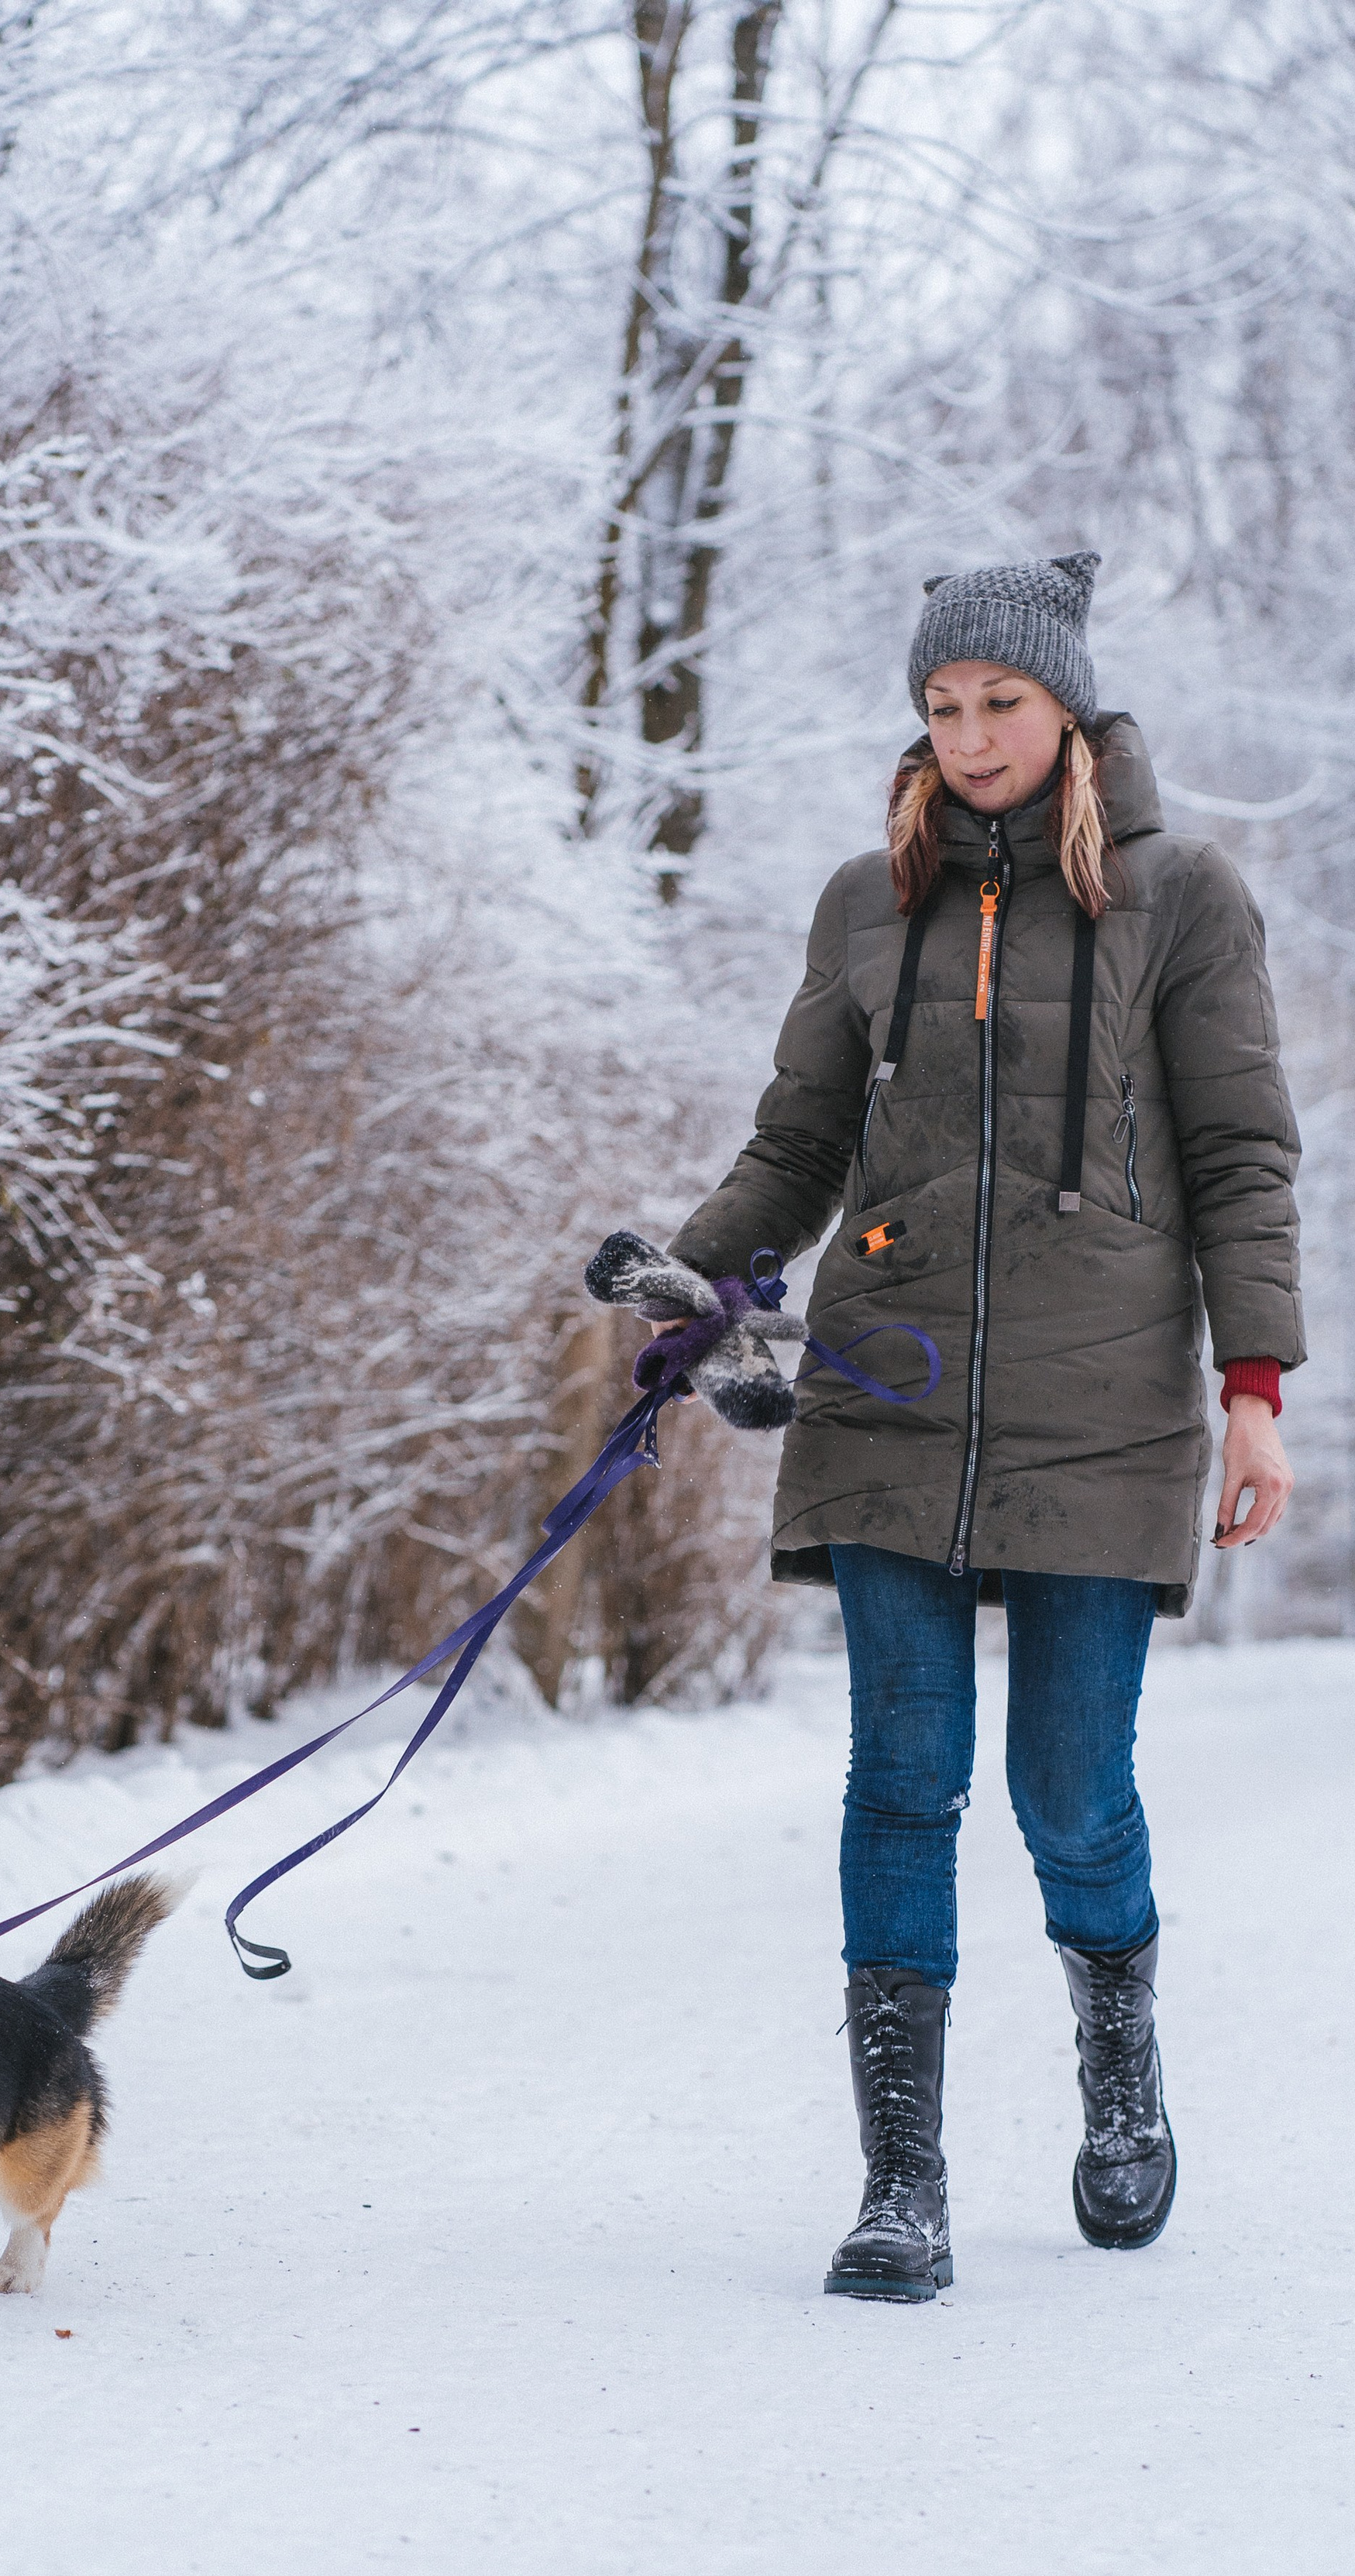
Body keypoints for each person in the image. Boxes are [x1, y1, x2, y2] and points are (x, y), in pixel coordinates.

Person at [660, 551, 1302, 2303]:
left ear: (1067, 706)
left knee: (1069, 1794)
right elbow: (799, 1140)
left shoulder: (1183, 897)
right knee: (901, 1779)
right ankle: (903, 2184)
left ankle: (1119, 2067)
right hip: (889, 1385)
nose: (966, 735)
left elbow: (1240, 1155)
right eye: (939, 707)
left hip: (1105, 1404)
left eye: (998, 702)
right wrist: (699, 1270)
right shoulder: (868, 901)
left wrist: (1252, 1394)